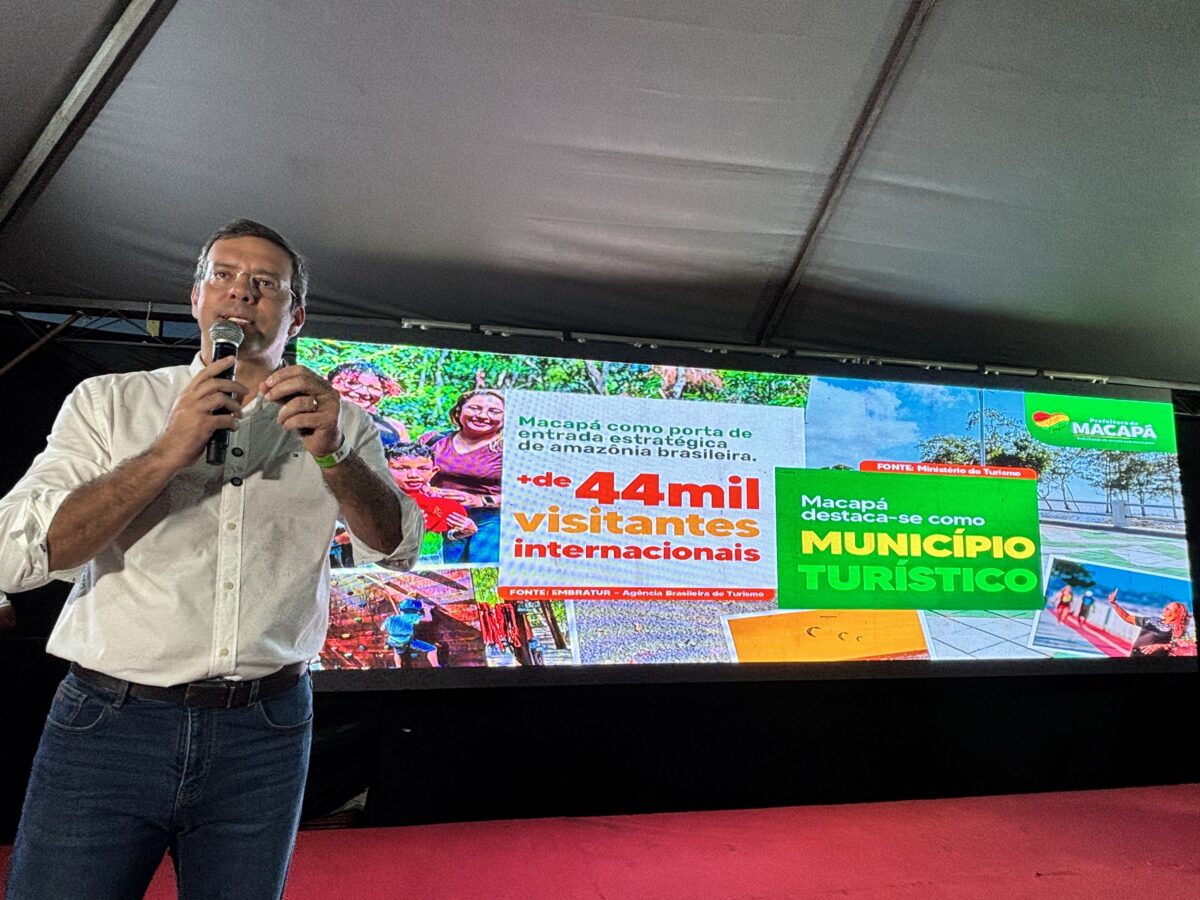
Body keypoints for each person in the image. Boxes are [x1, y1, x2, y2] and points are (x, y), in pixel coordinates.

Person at [0, 219, 424, 899]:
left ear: (296, 316)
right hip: (110, 725)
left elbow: (394, 546)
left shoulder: (339, 421)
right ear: (195, 298)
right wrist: (168, 451)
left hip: (265, 730)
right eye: (222, 275)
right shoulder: (110, 402)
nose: (241, 292)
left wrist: (337, 456)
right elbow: (16, 557)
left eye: (265, 283)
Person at [420, 389, 504, 564]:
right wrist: (424, 488)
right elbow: (406, 473)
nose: (482, 416)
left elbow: (527, 495)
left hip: (489, 521)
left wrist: (480, 500)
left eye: (494, 411)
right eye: (474, 408)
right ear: (458, 412)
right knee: (440, 575)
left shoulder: (509, 449)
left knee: (483, 573)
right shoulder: (433, 440)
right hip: (439, 517)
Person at [386, 442, 477, 564]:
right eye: (401, 468)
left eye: (422, 469)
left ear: (433, 471)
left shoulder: (439, 502)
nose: (413, 475)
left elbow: (444, 534)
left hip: (430, 564)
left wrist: (463, 532)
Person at [328, 361, 411, 450]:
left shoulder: (396, 427)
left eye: (372, 387)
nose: (362, 391)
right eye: (352, 383)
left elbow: (407, 455)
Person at [1107, 592, 1192, 657]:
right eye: (1165, 607)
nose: (1164, 609)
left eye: (1168, 609)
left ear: (1176, 614)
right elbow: (1127, 617)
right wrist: (1114, 604)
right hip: (1135, 654)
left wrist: (1161, 646)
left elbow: (1180, 645)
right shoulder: (1152, 619)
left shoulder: (1177, 628)